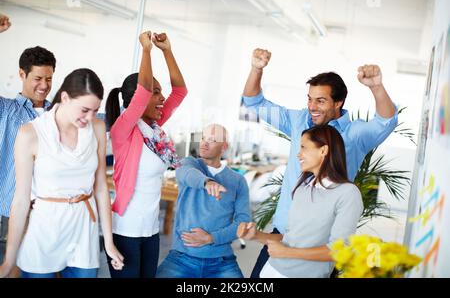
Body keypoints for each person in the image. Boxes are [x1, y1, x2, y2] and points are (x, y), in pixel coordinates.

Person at [242, 48, 398, 277]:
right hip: (283, 231)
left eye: (321, 101)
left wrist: (376, 86)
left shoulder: (354, 135)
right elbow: (254, 102)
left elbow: (386, 121)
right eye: (310, 99)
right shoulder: (298, 120)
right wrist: (256, 68)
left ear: (338, 103)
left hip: (320, 244)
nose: (312, 107)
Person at [0, 68, 124, 278]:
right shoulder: (31, 133)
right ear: (65, 98)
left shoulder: (97, 127)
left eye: (95, 110)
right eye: (84, 109)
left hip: (83, 229)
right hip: (45, 229)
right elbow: (21, 200)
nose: (90, 117)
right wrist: (9, 261)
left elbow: (101, 188)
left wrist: (109, 243)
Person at [105, 31, 187, 278]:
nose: (162, 98)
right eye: (155, 92)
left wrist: (167, 50)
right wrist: (147, 50)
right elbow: (141, 95)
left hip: (150, 231)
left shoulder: (155, 129)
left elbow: (180, 91)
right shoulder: (123, 129)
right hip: (126, 229)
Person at [239, 125, 363, 278]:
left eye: (304, 147)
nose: (299, 155)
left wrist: (287, 252)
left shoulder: (347, 193)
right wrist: (256, 235)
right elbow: (290, 238)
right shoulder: (303, 188)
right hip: (272, 269)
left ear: (323, 150)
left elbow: (339, 250)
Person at [156, 124, 251, 278]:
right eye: (203, 138)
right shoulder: (188, 164)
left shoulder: (238, 181)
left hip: (221, 261)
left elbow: (243, 223)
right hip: (182, 258)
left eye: (212, 140)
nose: (204, 143)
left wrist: (211, 238)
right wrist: (207, 182)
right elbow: (186, 173)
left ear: (224, 147)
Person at [0, 46, 56, 262]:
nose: (44, 86)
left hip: (47, 209)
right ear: (22, 74)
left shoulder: (57, 114)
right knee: (11, 268)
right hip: (11, 208)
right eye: (38, 78)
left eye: (49, 79)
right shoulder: (6, 109)